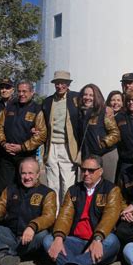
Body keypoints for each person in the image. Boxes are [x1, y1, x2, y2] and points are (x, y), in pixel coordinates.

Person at [43, 155, 121, 265]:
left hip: (98, 242)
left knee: (112, 241)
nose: (86, 173)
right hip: (77, 241)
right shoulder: (74, 190)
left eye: (91, 170)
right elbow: (64, 216)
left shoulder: (111, 190)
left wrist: (97, 239)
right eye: (83, 169)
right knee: (48, 240)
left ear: (100, 171)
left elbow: (110, 217)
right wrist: (59, 237)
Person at [0, 157, 56, 265]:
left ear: (38, 174)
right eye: (23, 173)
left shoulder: (48, 193)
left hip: (31, 238)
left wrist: (33, 226)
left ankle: (0, 252)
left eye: (30, 173)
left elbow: (49, 216)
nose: (27, 177)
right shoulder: (11, 189)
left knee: (43, 235)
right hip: (12, 234)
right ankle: (4, 253)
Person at [0, 80, 46, 194]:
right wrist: (4, 144)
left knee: (25, 187)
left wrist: (22, 147)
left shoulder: (37, 110)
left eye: (25, 91)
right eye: (19, 91)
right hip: (7, 155)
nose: (22, 94)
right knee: (3, 189)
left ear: (32, 92)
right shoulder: (9, 107)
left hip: (26, 156)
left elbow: (41, 135)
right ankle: (5, 211)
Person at [42, 71, 80, 205]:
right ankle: (53, 214)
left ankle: (66, 215)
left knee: (68, 182)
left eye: (63, 83)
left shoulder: (76, 99)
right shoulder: (47, 101)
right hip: (51, 146)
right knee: (52, 183)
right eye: (57, 83)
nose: (60, 86)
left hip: (68, 146)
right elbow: (42, 122)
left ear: (68, 84)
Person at [77, 83, 120, 183]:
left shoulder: (104, 111)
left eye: (91, 95)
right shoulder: (80, 113)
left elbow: (115, 133)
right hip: (89, 155)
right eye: (85, 94)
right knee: (89, 184)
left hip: (106, 154)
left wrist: (102, 143)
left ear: (96, 96)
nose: (87, 97)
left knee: (107, 184)